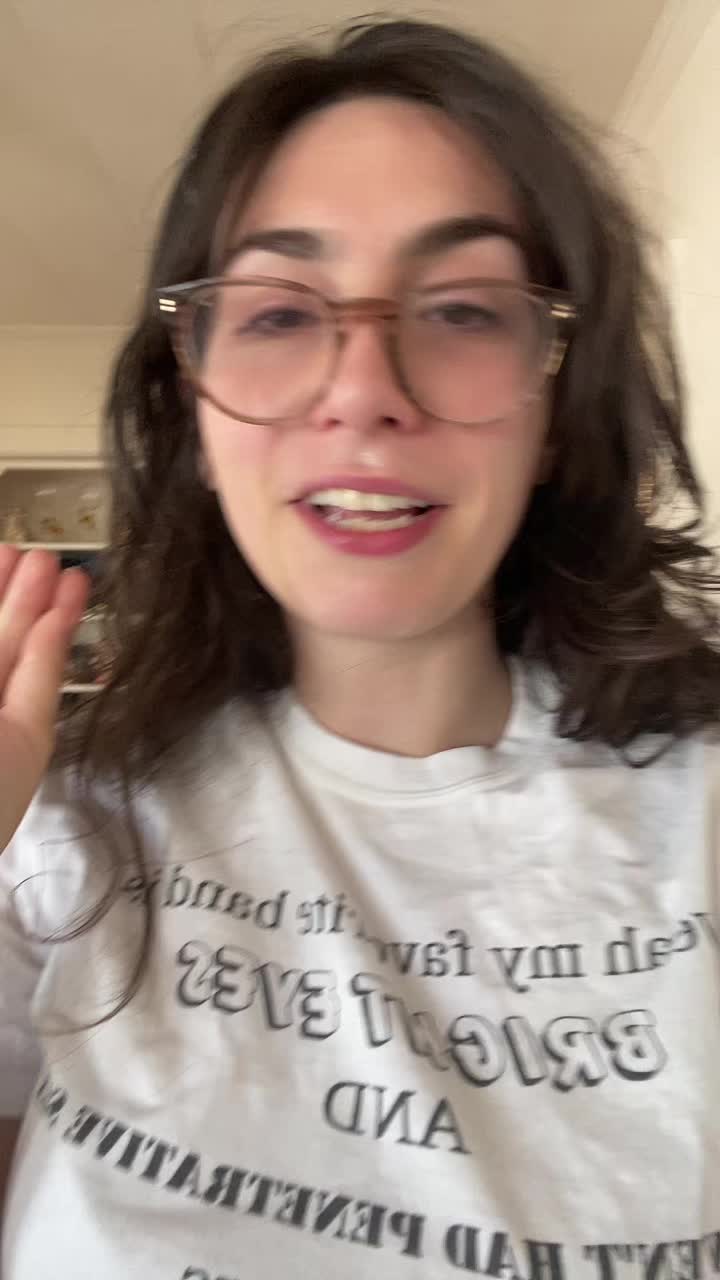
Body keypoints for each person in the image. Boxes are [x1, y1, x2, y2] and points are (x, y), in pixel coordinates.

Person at [1, 15, 720, 1279]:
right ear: (193, 407)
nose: (364, 388)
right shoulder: (58, 820)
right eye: (280, 313)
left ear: (558, 408)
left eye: (463, 308)